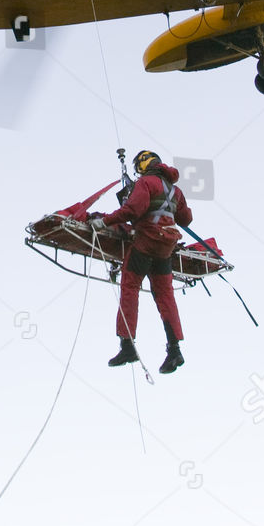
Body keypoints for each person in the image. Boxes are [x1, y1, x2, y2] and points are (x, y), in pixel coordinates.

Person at [90, 150, 191, 374]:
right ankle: (174, 350)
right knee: (165, 296)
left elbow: (132, 210)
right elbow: (186, 219)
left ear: (144, 165)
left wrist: (105, 222)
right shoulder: (176, 191)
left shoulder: (145, 183)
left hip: (145, 243)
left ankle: (127, 346)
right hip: (166, 248)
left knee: (130, 287)